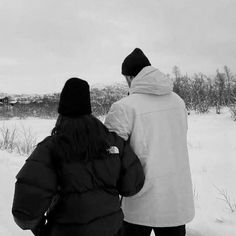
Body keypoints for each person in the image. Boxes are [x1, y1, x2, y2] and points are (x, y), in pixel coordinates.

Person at [12, 77, 145, 236]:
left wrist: (41, 228)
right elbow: (133, 184)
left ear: (62, 112)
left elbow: (26, 211)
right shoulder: (113, 142)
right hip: (112, 230)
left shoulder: (49, 149)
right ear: (88, 109)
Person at [105, 48, 195, 236]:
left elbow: (111, 154)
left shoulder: (124, 107)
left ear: (129, 77)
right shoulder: (178, 102)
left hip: (139, 200)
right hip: (175, 199)